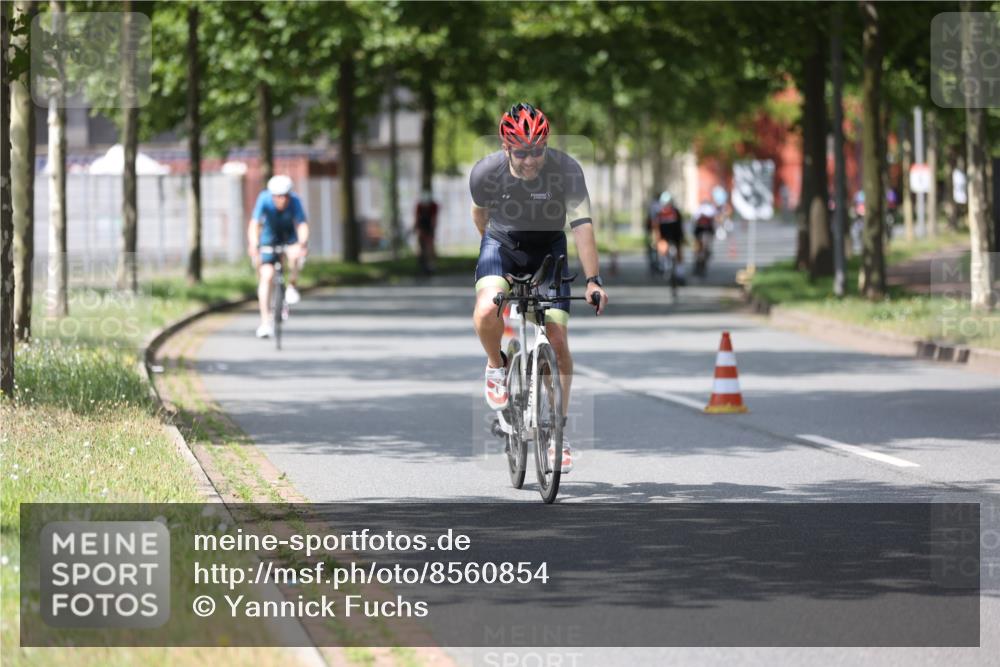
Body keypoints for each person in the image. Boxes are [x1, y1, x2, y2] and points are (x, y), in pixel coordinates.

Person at [470, 103, 609, 473]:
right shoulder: (486, 174)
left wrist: (593, 279)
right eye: (521, 152)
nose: (530, 160)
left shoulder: (566, 171)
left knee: (558, 338)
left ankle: (556, 432)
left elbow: (581, 225)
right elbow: (479, 215)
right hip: (501, 244)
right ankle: (496, 365)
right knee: (487, 309)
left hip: (549, 249)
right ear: (506, 148)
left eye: (537, 151)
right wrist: (491, 250)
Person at [247, 174, 310, 339]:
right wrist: (254, 244)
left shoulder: (295, 201)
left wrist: (303, 243)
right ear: (272, 195)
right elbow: (254, 223)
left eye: (285, 196)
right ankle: (265, 322)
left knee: (295, 254)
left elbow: (302, 224)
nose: (281, 199)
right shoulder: (264, 199)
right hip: (269, 237)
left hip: (288, 236)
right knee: (266, 276)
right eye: (277, 196)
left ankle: (292, 286)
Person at [653, 191, 686, 284]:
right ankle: (665, 266)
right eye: (665, 204)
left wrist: (682, 237)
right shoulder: (659, 214)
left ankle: (680, 273)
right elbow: (656, 227)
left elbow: (680, 226)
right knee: (662, 249)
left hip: (675, 235)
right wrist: (657, 239)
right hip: (664, 236)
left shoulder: (676, 212)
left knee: (679, 252)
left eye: (669, 204)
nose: (667, 206)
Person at [414, 189, 439, 275]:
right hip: (422, 226)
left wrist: (431, 231)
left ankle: (431, 264)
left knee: (430, 246)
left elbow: (434, 219)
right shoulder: (419, 206)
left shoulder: (434, 206)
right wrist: (417, 229)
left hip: (429, 227)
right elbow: (417, 218)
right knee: (420, 246)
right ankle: (421, 263)